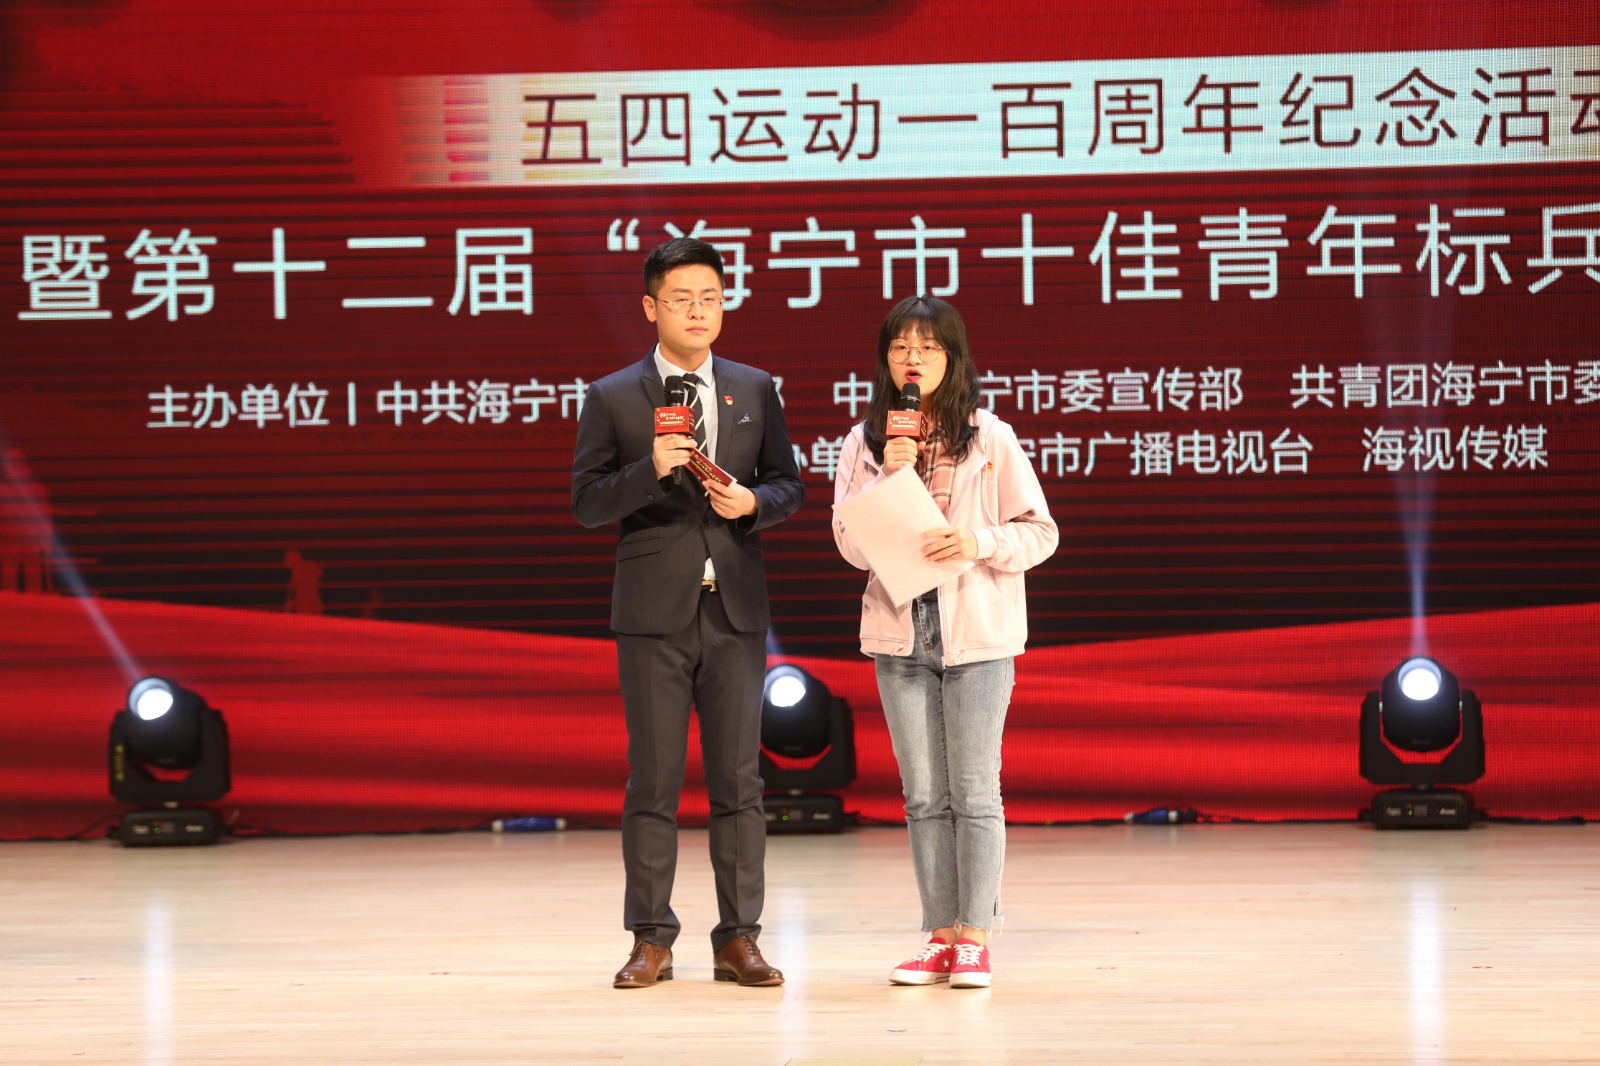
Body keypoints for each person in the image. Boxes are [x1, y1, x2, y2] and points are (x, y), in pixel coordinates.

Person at [572, 238, 805, 989]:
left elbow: (789, 485)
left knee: (740, 783)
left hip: (734, 610)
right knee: (654, 783)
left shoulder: (753, 387)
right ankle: (651, 939)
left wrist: (753, 503)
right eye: (681, 299)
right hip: (653, 615)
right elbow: (588, 502)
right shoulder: (613, 395)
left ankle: (739, 939)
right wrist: (650, 470)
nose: (698, 311)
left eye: (710, 297)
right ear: (651, 307)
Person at [831, 295, 1058, 989]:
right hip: (901, 635)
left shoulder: (991, 438)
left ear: (952, 358)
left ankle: (975, 939)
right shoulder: (865, 442)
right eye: (901, 346)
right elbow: (850, 546)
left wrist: (976, 542)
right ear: (885, 359)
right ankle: (938, 935)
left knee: (975, 791)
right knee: (924, 795)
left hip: (977, 634)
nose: (913, 358)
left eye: (928, 347)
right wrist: (889, 473)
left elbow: (1040, 532)